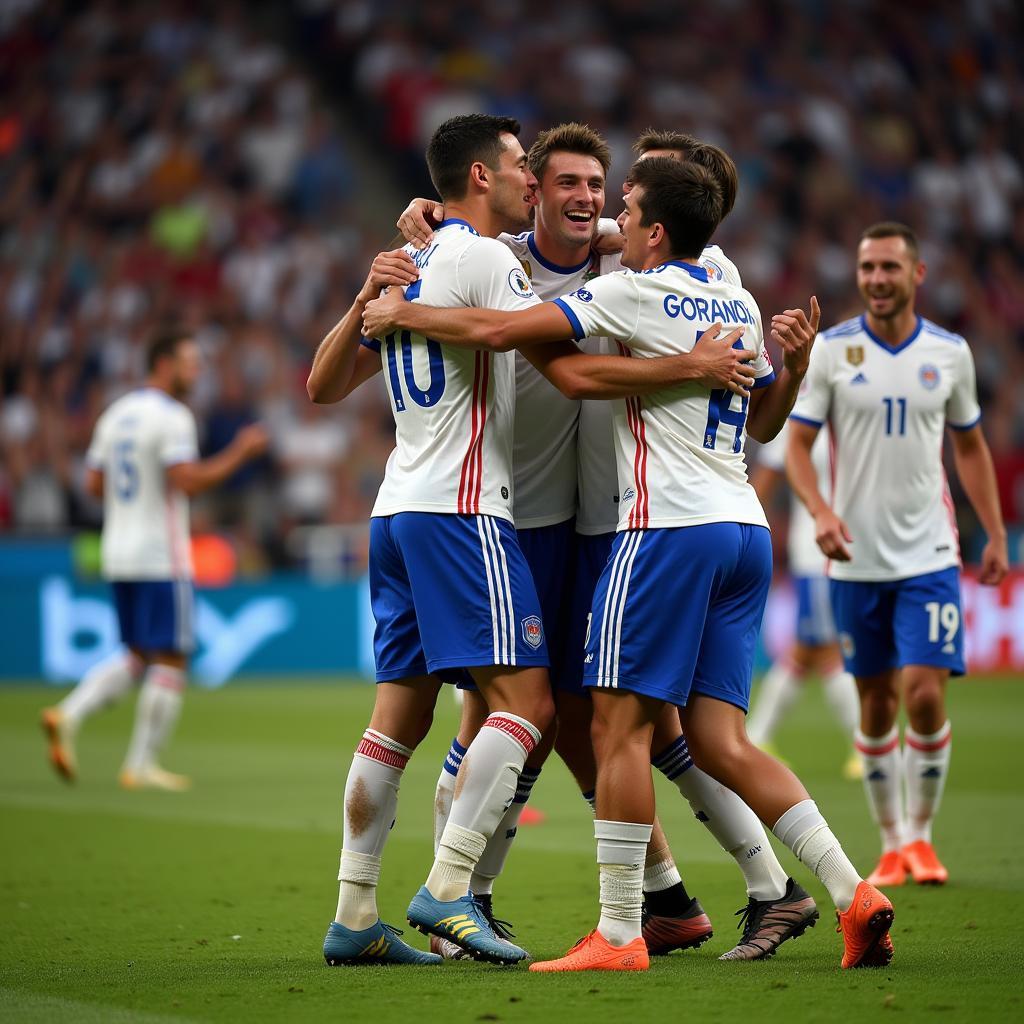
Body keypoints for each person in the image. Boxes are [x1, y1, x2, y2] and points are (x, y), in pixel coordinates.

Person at [362, 156, 895, 972]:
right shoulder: (736, 296)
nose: (607, 215)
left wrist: (404, 308)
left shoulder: (630, 290)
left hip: (660, 533)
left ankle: (616, 933)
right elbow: (761, 424)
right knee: (715, 738)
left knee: (609, 725)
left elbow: (517, 338)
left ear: (652, 228)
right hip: (742, 529)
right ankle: (850, 891)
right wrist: (782, 368)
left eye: (625, 205)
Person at [308, 114, 736, 968]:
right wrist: (686, 365)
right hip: (467, 511)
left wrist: (372, 294)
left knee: (400, 715)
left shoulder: (416, 262)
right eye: (520, 170)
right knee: (532, 706)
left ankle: (356, 912)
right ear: (479, 176)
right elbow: (567, 372)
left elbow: (322, 385)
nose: (536, 187)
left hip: (397, 508)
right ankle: (451, 887)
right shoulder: (488, 261)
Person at [787, 221, 1008, 888]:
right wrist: (821, 512)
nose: (876, 279)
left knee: (924, 695)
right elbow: (796, 446)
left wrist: (994, 532)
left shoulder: (950, 353)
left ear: (917, 275)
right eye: (867, 268)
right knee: (877, 704)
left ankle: (922, 837)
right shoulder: (831, 352)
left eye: (889, 267)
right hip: (856, 560)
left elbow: (969, 446)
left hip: (930, 554)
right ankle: (890, 843)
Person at [41, 328, 268, 791]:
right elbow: (186, 481)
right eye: (189, 362)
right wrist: (240, 453)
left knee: (138, 654)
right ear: (163, 364)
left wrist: (134, 501)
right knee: (171, 656)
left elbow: (93, 484)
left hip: (118, 551)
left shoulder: (116, 413)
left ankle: (67, 714)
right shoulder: (173, 417)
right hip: (160, 556)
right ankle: (141, 764)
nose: (197, 371)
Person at [747, 421, 863, 780]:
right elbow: (764, 481)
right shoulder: (799, 415)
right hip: (818, 553)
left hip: (857, 553)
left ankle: (757, 736)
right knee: (827, 648)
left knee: (810, 650)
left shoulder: (855, 409)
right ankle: (866, 744)